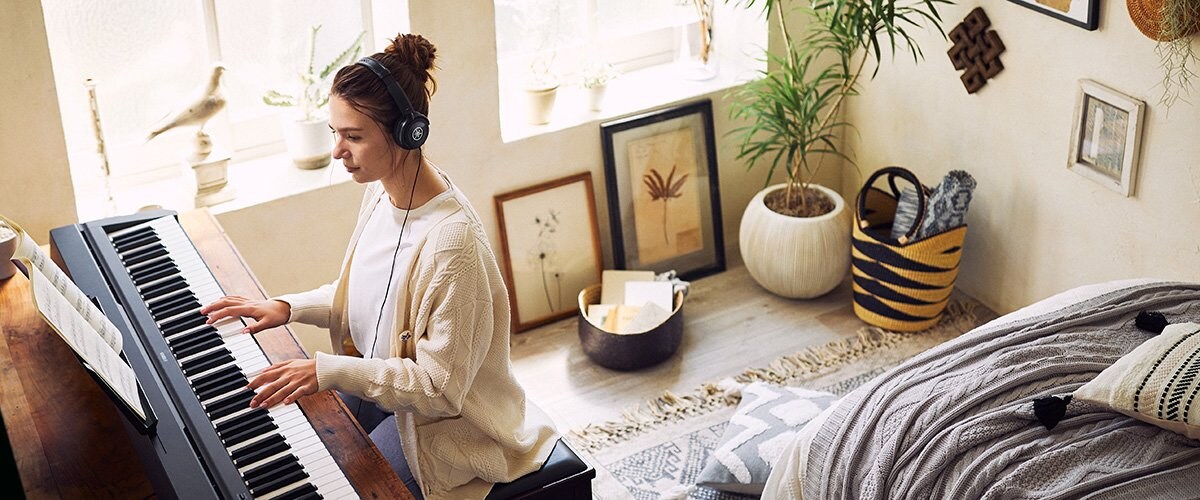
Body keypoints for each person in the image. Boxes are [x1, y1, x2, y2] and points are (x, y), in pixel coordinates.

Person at [200, 33, 559, 500]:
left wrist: (326, 370)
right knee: (292, 431)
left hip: (445, 428)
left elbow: (439, 389)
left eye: (353, 136)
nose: (337, 151)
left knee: (344, 485)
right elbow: (365, 294)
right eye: (335, 133)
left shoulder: (453, 247)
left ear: (409, 133)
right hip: (391, 391)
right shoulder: (381, 194)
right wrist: (285, 307)